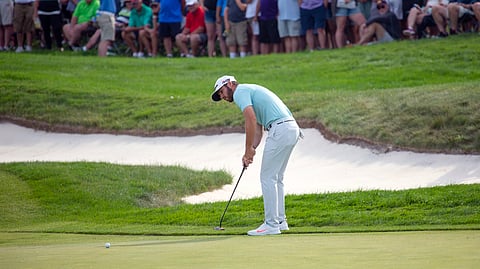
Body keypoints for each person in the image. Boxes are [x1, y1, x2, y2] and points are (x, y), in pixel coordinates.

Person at [211, 75, 302, 236]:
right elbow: (258, 130)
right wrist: (251, 150)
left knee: (267, 177)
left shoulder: (240, 91)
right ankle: (281, 221)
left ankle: (271, 224)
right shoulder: (251, 92)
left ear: (230, 84)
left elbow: (250, 120)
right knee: (276, 178)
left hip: (281, 129)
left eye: (221, 91)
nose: (222, 96)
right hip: (290, 128)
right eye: (219, 95)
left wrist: (247, 150)